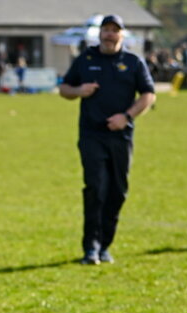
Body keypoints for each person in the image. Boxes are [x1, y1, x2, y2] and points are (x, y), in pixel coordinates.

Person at [59, 14, 155, 265]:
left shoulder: (133, 63)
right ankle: (90, 247)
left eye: (115, 31)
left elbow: (148, 95)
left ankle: (105, 246)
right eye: (106, 30)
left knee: (118, 191)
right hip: (92, 134)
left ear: (122, 35)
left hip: (121, 136)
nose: (110, 35)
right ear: (99, 33)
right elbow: (64, 88)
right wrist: (79, 91)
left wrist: (126, 116)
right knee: (95, 187)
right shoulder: (86, 59)